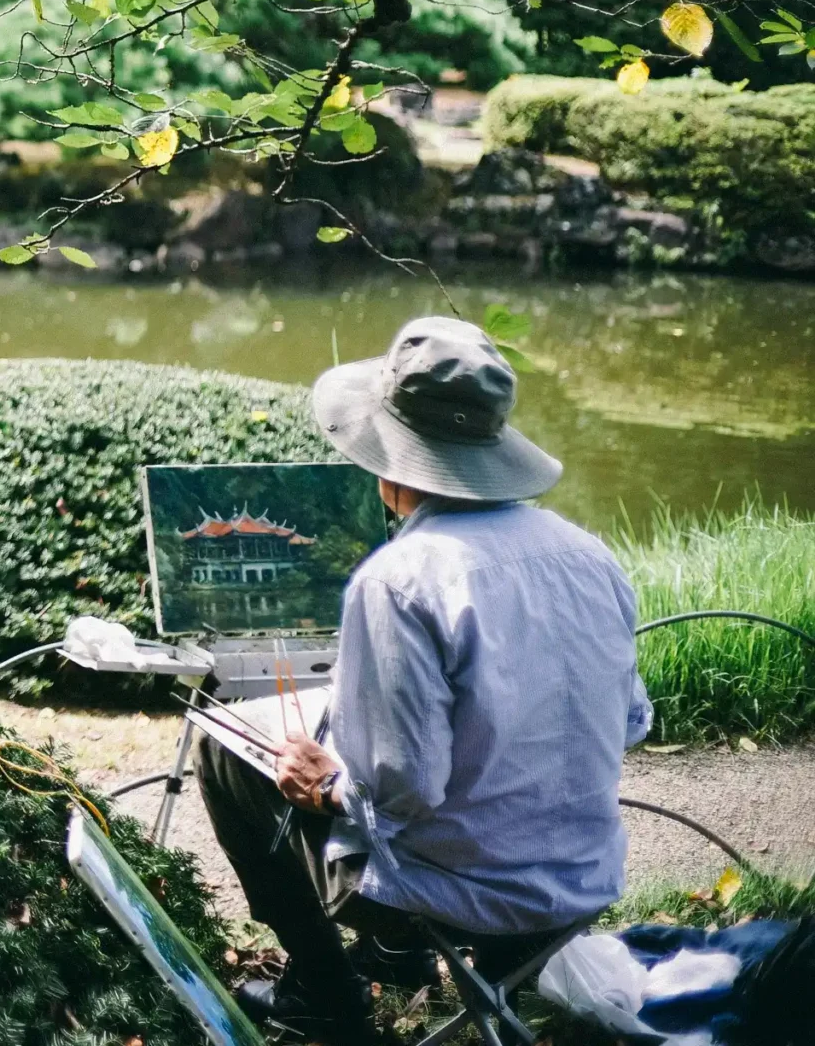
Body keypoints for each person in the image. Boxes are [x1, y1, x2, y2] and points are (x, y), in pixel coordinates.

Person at [196, 315, 654, 1045]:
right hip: (581, 876)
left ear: (391, 464)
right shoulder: (590, 555)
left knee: (226, 752)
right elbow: (630, 721)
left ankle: (324, 992)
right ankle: (392, 956)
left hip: (465, 893)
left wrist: (324, 785)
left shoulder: (398, 583)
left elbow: (401, 788)